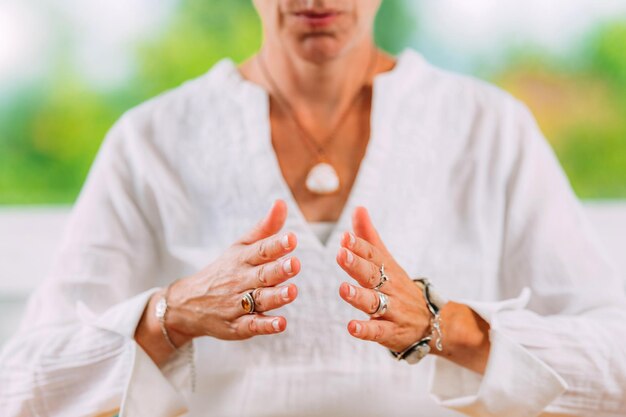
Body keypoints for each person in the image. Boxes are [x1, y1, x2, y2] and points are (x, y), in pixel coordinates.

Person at [1, 0, 625, 416]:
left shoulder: (489, 130)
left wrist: (444, 325)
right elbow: (22, 385)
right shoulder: (152, 141)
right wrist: (173, 315)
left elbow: (615, 364)